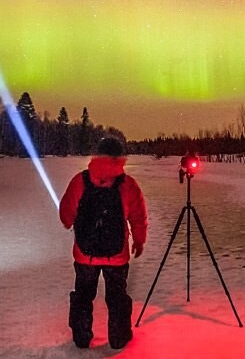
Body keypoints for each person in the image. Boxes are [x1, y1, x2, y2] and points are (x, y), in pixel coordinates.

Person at [58, 136, 148, 350]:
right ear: (120, 158)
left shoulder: (80, 181)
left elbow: (65, 215)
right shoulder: (128, 184)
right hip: (117, 256)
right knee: (117, 298)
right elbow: (138, 216)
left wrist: (71, 221)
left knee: (83, 295)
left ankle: (81, 337)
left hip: (84, 254)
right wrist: (139, 240)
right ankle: (119, 338)